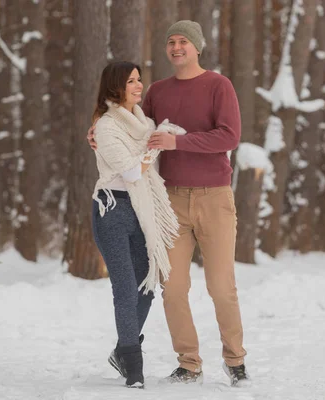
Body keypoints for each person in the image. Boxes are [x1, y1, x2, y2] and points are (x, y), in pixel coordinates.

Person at [88, 20, 249, 387]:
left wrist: (180, 143)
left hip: (214, 197)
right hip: (170, 201)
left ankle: (235, 359)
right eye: (171, 42)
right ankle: (189, 363)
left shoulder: (218, 86)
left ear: (197, 47)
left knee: (221, 286)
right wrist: (95, 127)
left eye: (183, 42)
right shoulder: (158, 91)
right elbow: (129, 120)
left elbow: (230, 135)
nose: (176, 47)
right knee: (172, 287)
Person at [91, 61, 179, 389]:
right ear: (116, 86)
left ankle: (121, 350)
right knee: (125, 288)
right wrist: (152, 149)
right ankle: (133, 364)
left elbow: (144, 159)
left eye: (139, 80)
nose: (139, 86)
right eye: (131, 81)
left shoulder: (144, 123)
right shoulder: (106, 125)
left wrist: (154, 144)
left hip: (141, 209)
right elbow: (129, 171)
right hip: (111, 209)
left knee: (146, 286)